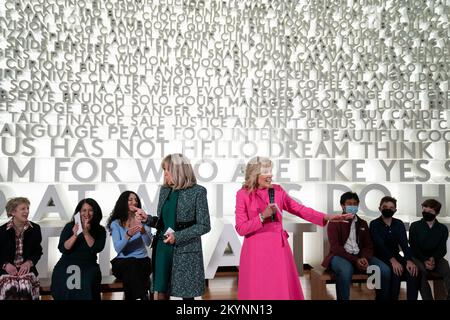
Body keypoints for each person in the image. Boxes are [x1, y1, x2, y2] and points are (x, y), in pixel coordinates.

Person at [235, 156, 352, 300]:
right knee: (258, 292)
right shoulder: (242, 195)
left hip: (278, 250)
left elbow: (299, 209)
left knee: (279, 291)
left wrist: (326, 217)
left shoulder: (277, 191)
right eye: (266, 171)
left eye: (271, 171)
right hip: (255, 252)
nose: (271, 175)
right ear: (255, 173)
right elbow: (241, 228)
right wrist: (261, 217)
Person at [145, 153, 210, 300]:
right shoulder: (164, 190)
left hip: (185, 249)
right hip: (163, 247)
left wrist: (178, 237)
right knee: (160, 290)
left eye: (167, 169)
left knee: (187, 295)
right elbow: (164, 222)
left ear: (178, 170)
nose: (165, 173)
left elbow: (204, 225)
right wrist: (147, 219)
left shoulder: (198, 192)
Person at [322, 192, 391, 300]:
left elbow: (368, 246)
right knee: (345, 270)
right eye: (349, 204)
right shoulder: (334, 222)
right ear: (342, 206)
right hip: (340, 256)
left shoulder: (362, 223)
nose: (352, 206)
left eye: (355, 204)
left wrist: (364, 257)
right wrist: (355, 260)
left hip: (360, 256)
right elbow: (335, 248)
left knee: (384, 270)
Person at [51, 198, 106, 300]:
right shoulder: (69, 226)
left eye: (90, 210)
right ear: (79, 212)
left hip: (88, 265)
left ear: (95, 212)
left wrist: (85, 232)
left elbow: (96, 248)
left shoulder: (100, 230)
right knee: (62, 284)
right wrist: (75, 235)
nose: (87, 213)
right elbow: (63, 248)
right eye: (84, 210)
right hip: (67, 263)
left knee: (87, 283)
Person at [369, 196, 419, 300]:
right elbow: (380, 245)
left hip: (395, 256)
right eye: (385, 206)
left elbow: (404, 244)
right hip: (380, 256)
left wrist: (409, 260)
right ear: (380, 208)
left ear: (395, 210)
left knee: (413, 271)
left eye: (392, 207)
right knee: (395, 271)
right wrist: (393, 260)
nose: (388, 209)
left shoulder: (399, 223)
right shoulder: (374, 224)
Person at [107, 191, 153, 300]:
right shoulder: (116, 223)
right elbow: (118, 249)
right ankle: (142, 296)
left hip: (142, 262)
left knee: (134, 268)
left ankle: (136, 297)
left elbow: (148, 243)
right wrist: (127, 235)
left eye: (136, 200)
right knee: (130, 264)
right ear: (124, 202)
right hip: (123, 263)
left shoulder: (143, 219)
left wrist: (142, 230)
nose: (134, 202)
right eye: (130, 199)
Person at [0, 197, 43, 300]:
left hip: (27, 271)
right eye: (23, 209)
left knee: (26, 287)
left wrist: (29, 262)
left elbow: (38, 251)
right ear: (13, 212)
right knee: (10, 287)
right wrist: (5, 265)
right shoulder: (2, 231)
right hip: (7, 271)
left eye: (27, 208)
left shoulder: (35, 228)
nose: (27, 211)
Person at [409, 199, 450, 300]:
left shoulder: (443, 229)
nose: (426, 213)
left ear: (437, 213)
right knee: (421, 271)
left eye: (430, 211)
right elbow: (414, 247)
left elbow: (442, 249)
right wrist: (424, 260)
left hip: (435, 258)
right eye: (424, 210)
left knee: (446, 267)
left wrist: (433, 258)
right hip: (418, 257)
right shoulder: (414, 226)